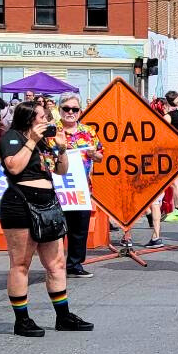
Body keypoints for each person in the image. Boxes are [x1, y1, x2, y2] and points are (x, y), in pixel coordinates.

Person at [0, 101, 90, 336]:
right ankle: (22, 320)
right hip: (20, 202)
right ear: (29, 118)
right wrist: (30, 140)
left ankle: (63, 316)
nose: (47, 120)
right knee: (21, 264)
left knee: (57, 264)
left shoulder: (45, 141)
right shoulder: (12, 137)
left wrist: (61, 149)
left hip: (47, 202)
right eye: (43, 116)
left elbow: (61, 170)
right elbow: (14, 167)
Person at [57, 95, 100, 276]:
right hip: (57, 189)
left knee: (79, 229)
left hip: (81, 188)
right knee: (56, 230)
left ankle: (74, 265)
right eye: (67, 108)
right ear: (60, 109)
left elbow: (100, 155)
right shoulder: (52, 130)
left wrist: (93, 154)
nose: (70, 113)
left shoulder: (88, 131)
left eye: (74, 109)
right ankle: (55, 266)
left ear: (80, 111)